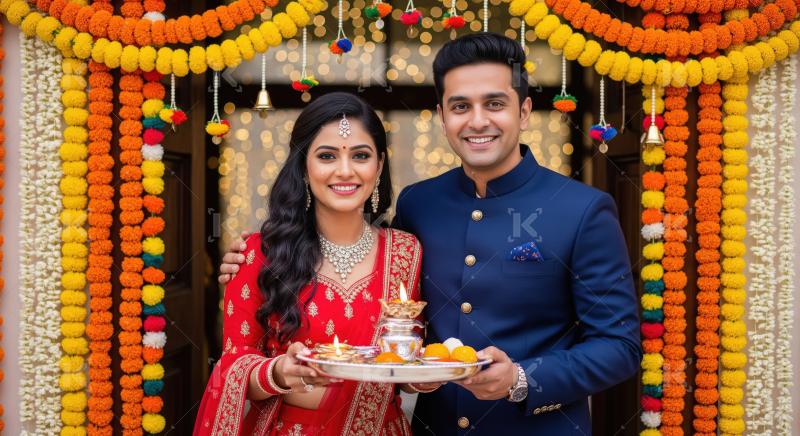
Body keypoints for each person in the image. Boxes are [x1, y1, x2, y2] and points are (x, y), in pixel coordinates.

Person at [220, 33, 641, 435]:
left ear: (524, 111)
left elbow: (620, 346)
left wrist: (521, 378)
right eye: (460, 106)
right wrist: (257, 262)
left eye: (495, 103)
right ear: (441, 116)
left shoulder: (580, 209)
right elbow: (387, 308)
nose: (478, 121)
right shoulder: (421, 205)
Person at [195, 92, 427, 435]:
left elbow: (405, 366)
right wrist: (279, 372)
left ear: (378, 166)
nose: (345, 171)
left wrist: (428, 378)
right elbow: (232, 365)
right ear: (303, 166)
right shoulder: (260, 253)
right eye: (327, 156)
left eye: (360, 156)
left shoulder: (406, 253)